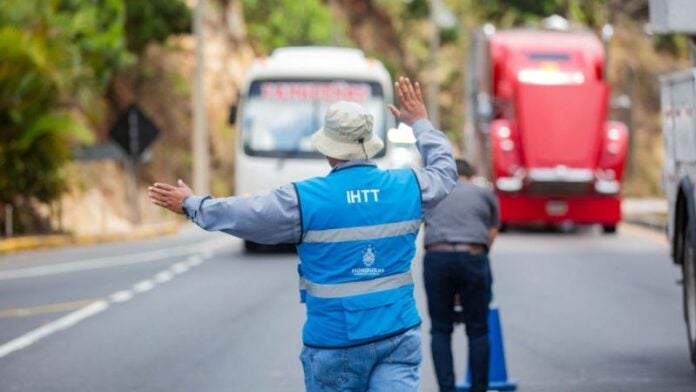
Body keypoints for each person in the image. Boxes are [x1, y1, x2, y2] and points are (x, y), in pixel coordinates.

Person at [148, 77, 457, 391]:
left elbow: (247, 213)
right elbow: (445, 171)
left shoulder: (305, 199)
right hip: (398, 336)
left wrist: (192, 205)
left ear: (329, 148)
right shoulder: (409, 187)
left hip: (337, 344)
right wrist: (420, 124)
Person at [422, 159, 499, 392]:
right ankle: (478, 389)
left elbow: (428, 227)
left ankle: (447, 389)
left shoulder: (433, 195)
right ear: (470, 175)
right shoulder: (483, 193)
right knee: (477, 329)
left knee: (440, 329)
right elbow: (491, 232)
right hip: (473, 255)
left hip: (437, 257)